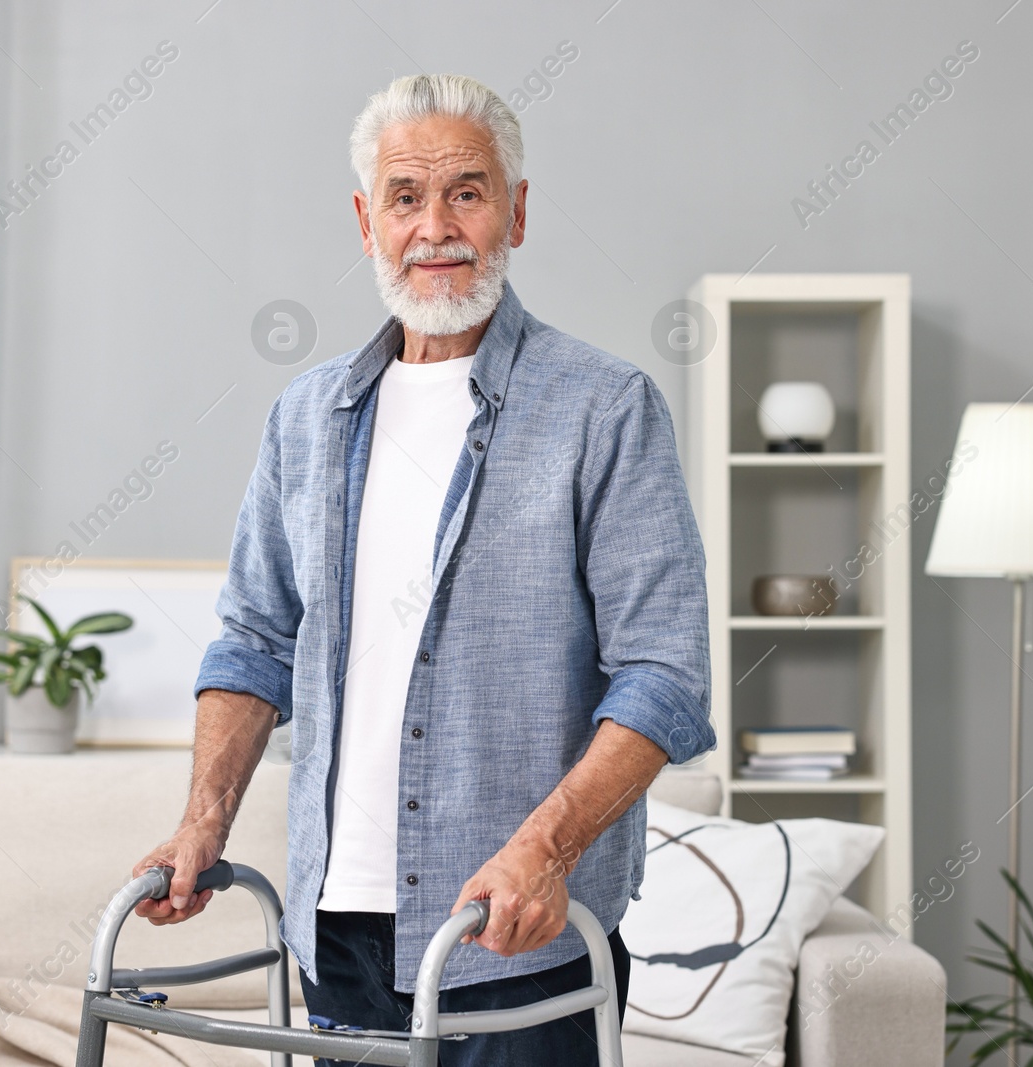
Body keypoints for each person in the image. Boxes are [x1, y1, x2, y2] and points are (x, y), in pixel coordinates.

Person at [133, 72, 712, 1066]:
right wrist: (201, 824)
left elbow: (664, 672)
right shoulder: (305, 418)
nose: (434, 225)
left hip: (516, 933)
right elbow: (254, 639)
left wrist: (548, 849)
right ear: (368, 220)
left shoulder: (605, 407)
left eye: (466, 192)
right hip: (338, 931)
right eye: (406, 196)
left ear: (516, 210)